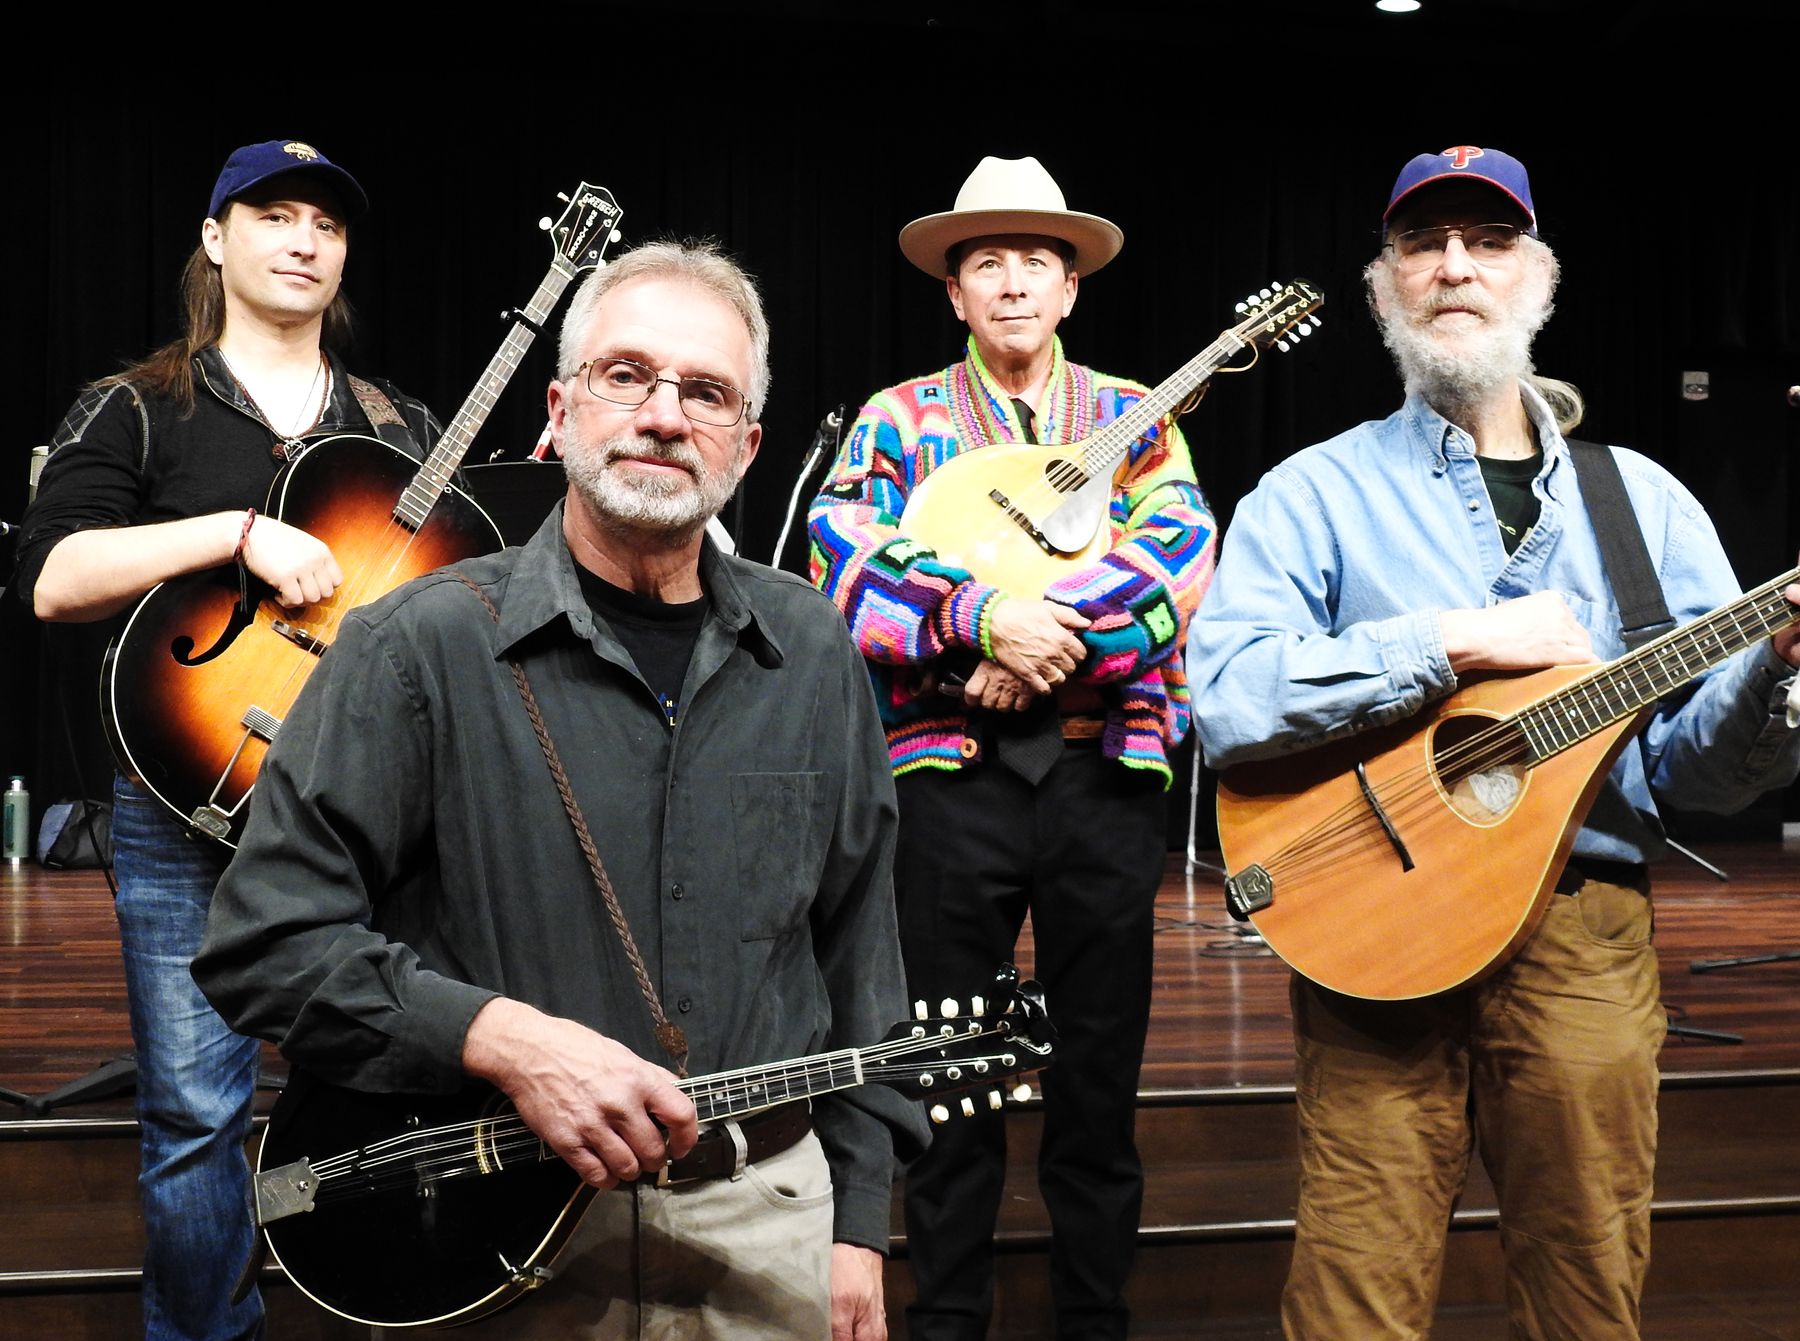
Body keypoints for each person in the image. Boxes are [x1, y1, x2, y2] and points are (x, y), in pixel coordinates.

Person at [193, 240, 928, 1340]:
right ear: (561, 407)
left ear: (749, 441)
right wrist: (501, 1039)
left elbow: (860, 952)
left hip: (772, 1227)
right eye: (626, 375)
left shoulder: (814, 646)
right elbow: (262, 940)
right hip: (497, 1235)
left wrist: (857, 1223)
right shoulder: (417, 648)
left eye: (706, 392)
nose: (665, 414)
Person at [1188, 145, 1800, 1339]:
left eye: (1488, 241)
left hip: (1584, 933)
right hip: (1373, 928)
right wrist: (1453, 641)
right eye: (1423, 243)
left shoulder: (1648, 504)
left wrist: (1768, 674)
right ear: (1383, 290)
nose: (1455, 265)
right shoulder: (1312, 494)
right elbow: (1229, 697)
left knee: (1588, 1291)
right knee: (1351, 1302)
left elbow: (1692, 776)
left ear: (1541, 282)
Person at [13, 138, 438, 1341]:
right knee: (197, 1112)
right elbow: (51, 577)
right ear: (216, 238)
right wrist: (231, 531)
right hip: (188, 806)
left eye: (328, 224)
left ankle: (363, 1305)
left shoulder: (394, 419)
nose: (304, 239)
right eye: (274, 215)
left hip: (366, 819)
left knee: (370, 1092)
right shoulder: (141, 405)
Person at [809, 156, 1215, 1339]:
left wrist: (1046, 644)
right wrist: (974, 619)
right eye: (987, 260)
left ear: (1072, 286)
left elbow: (1179, 558)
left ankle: (1096, 1315)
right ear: (955, 293)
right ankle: (946, 1320)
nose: (1014, 281)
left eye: (1038, 258)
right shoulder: (899, 418)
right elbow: (840, 557)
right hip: (951, 782)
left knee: (1099, 1075)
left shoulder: (1137, 416)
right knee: (945, 1073)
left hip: (1101, 774)